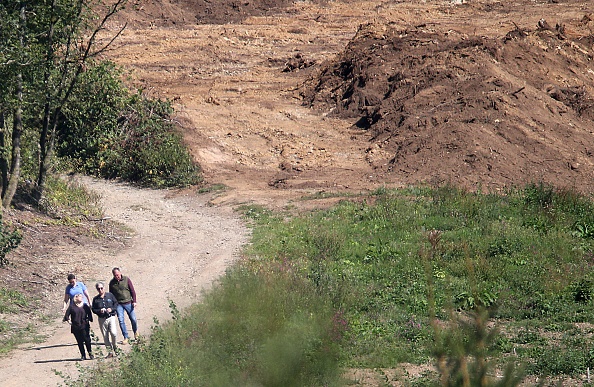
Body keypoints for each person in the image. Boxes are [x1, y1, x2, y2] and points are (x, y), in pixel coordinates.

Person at [109, 267, 138, 345]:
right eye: (115, 275)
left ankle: (136, 332)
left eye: (118, 275)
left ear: (120, 273)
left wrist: (134, 301)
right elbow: (111, 295)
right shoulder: (112, 283)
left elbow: (132, 291)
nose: (117, 276)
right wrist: (113, 307)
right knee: (121, 321)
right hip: (119, 305)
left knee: (133, 319)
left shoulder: (126, 279)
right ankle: (125, 337)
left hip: (128, 302)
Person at [91, 281, 119, 358]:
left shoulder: (110, 295)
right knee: (105, 336)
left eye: (101, 288)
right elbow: (93, 309)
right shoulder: (95, 299)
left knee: (114, 333)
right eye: (98, 289)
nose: (100, 290)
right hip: (102, 319)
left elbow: (116, 303)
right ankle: (110, 352)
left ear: (104, 288)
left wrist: (112, 309)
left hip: (111, 317)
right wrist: (99, 311)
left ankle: (115, 347)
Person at [63, 293, 94, 361]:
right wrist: (70, 322)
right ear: (76, 298)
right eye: (80, 296)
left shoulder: (85, 306)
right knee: (79, 341)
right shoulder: (72, 306)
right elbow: (66, 316)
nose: (81, 297)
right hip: (76, 327)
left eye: (81, 296)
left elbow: (90, 315)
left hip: (84, 326)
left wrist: (88, 320)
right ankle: (83, 355)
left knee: (87, 340)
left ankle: (90, 353)